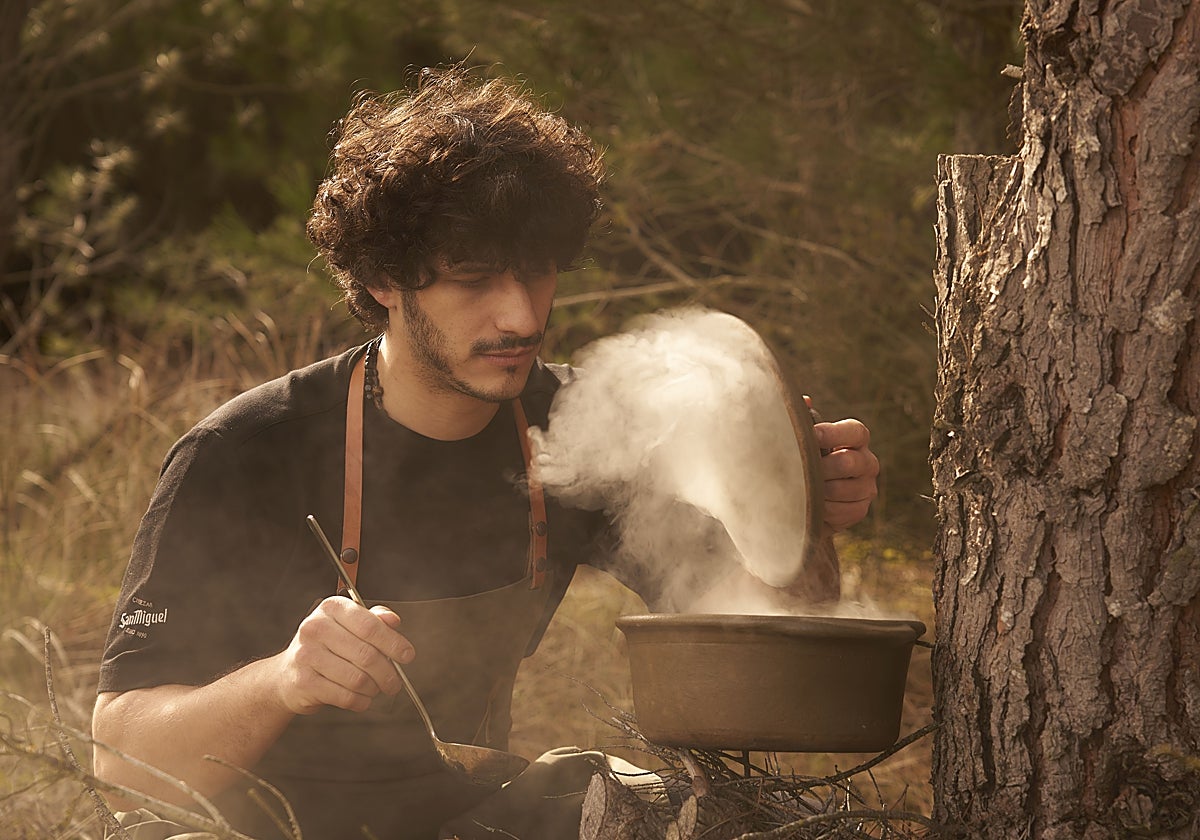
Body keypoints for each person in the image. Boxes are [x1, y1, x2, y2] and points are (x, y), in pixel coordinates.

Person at [92, 66, 880, 840]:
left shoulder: (581, 429)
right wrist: (283, 679)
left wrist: (800, 509)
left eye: (537, 272)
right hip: (254, 827)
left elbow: (761, 628)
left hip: (461, 814)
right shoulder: (242, 454)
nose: (521, 317)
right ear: (383, 278)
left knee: (762, 826)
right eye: (473, 279)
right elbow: (123, 761)